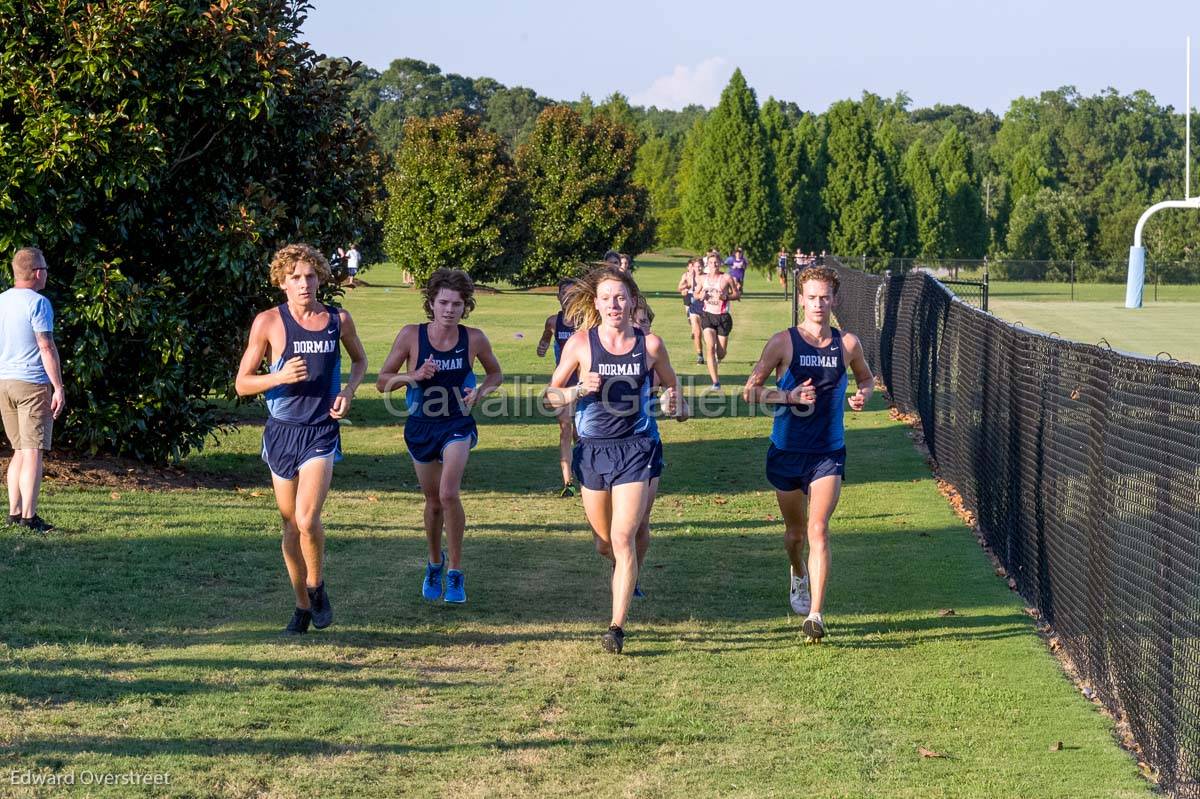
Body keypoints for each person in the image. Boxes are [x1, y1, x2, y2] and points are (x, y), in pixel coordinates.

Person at [544, 266, 683, 654]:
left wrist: (676, 403)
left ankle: (616, 627)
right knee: (606, 543)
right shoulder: (580, 345)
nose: (613, 305)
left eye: (620, 297)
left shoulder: (650, 345)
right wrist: (576, 391)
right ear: (596, 303)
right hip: (592, 450)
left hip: (636, 448)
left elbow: (674, 389)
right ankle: (623, 568)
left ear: (632, 301)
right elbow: (548, 397)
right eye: (605, 298)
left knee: (625, 537)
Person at [235, 243, 368, 635]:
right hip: (281, 433)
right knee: (291, 527)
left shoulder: (337, 320)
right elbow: (242, 384)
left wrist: (348, 391)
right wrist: (278, 376)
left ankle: (317, 585)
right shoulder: (268, 323)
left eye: (310, 276)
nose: (304, 283)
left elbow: (360, 361)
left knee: (309, 519)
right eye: (295, 277)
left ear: (320, 278)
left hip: (320, 431)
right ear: (282, 283)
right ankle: (301, 605)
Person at [742, 265, 873, 644]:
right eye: (812, 297)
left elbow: (865, 377)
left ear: (835, 300)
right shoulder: (782, 342)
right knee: (795, 534)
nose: (818, 304)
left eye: (825, 297)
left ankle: (815, 615)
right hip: (787, 451)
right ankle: (797, 571)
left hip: (828, 452)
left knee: (819, 529)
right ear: (801, 299)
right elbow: (751, 391)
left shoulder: (847, 344)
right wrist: (789, 396)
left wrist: (863, 394)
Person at [377, 268, 502, 605]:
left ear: (466, 307)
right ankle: (435, 562)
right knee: (433, 503)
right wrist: (414, 375)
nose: (450, 309)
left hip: (457, 424)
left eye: (457, 304)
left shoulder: (473, 338)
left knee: (449, 493)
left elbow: (495, 374)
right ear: (431, 303)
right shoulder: (410, 336)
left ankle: (456, 573)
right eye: (443, 302)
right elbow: (382, 381)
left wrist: (480, 394)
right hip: (420, 425)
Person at [0, 247, 66, 533]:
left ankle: (13, 512)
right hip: (32, 383)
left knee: (18, 450)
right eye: (46, 269)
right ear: (38, 273)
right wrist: (59, 387)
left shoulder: (2, 301)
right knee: (33, 451)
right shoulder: (38, 303)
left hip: (4, 382)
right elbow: (46, 346)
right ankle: (29, 517)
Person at [536, 279, 578, 497]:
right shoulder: (554, 321)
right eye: (564, 294)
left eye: (572, 294)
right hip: (563, 383)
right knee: (565, 429)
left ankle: (585, 470)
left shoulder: (588, 322)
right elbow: (543, 341)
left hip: (584, 383)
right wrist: (542, 347)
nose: (567, 298)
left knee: (581, 433)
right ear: (558, 297)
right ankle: (568, 482)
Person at [697, 253, 740, 390]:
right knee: (709, 347)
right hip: (707, 316)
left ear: (720, 263)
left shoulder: (726, 278)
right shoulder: (702, 279)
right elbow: (697, 294)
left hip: (723, 318)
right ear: (707, 265)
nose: (714, 265)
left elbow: (737, 294)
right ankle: (716, 382)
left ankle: (718, 356)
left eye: (716, 262)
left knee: (721, 353)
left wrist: (725, 296)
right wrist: (701, 295)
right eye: (711, 262)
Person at [676, 258, 705, 364]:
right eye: (696, 266)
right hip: (693, 306)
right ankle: (700, 355)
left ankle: (713, 351)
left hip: (706, 308)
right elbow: (680, 287)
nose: (698, 268)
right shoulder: (688, 276)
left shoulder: (706, 277)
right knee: (697, 333)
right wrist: (685, 288)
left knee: (706, 334)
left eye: (700, 266)